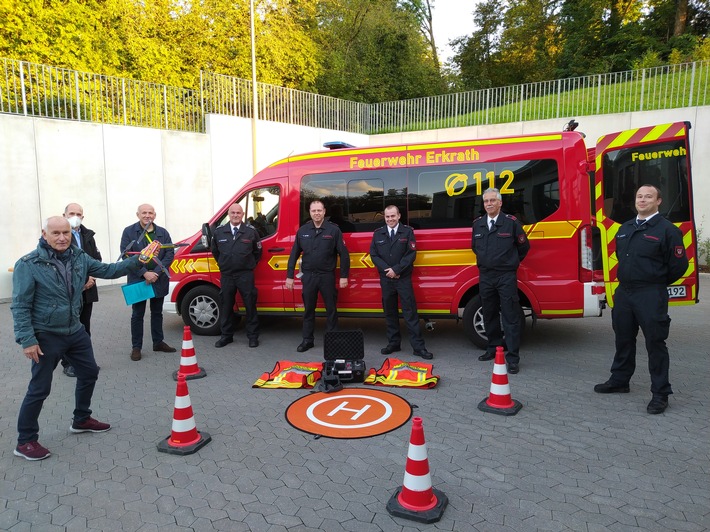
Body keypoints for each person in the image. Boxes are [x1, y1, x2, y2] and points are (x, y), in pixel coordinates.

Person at [11, 216, 140, 460]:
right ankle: (25, 441)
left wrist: (137, 260)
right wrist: (27, 340)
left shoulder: (78, 256)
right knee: (39, 388)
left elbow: (109, 270)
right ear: (44, 233)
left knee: (90, 372)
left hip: (75, 330)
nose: (62, 238)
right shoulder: (28, 264)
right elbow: (20, 306)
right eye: (56, 233)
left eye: (66, 233)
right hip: (46, 336)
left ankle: (81, 419)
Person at [594, 185, 688, 414]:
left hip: (650, 293)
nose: (642, 200)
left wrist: (655, 281)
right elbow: (619, 255)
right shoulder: (625, 228)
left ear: (658, 201)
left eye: (648, 196)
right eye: (639, 196)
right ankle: (620, 380)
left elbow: (679, 266)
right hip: (625, 293)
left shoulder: (667, 230)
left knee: (655, 342)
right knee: (623, 338)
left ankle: (660, 393)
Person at [471, 188, 530, 374]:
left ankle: (512, 358)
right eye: (486, 201)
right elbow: (475, 247)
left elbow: (523, 247)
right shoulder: (478, 224)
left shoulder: (511, 223)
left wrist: (510, 263)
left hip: (506, 276)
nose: (488, 204)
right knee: (489, 314)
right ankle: (492, 348)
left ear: (500, 203)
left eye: (492, 201)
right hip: (486, 276)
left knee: (510, 316)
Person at [370, 205, 433, 360]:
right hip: (386, 279)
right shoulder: (378, 233)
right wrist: (388, 270)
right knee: (390, 313)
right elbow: (374, 255)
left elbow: (410, 254)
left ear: (399, 216)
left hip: (403, 279)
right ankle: (393, 343)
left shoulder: (407, 232)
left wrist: (396, 270)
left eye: (393, 216)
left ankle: (418, 347)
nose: (390, 219)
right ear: (384, 217)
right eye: (387, 216)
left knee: (410, 313)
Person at [285, 200, 350, 352]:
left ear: (324, 212)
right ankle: (308, 340)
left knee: (331, 309)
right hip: (309, 277)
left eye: (319, 210)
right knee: (308, 310)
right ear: (310, 212)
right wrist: (290, 276)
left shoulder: (333, 230)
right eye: (314, 211)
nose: (316, 213)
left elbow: (344, 254)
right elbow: (294, 254)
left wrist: (343, 276)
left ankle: (332, 340)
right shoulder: (303, 231)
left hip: (327, 276)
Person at [120, 204, 176, 361]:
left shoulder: (162, 233)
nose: (147, 215)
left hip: (158, 280)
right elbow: (126, 255)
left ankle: (158, 342)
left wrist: (156, 273)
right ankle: (136, 347)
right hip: (139, 280)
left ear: (155, 215)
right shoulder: (129, 232)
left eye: (150, 213)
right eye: (144, 213)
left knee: (157, 313)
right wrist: (144, 273)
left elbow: (169, 254)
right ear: (137, 214)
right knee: (137, 314)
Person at [211, 203, 262, 348]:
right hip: (227, 275)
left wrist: (248, 264)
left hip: (245, 274)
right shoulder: (219, 232)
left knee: (250, 305)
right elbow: (215, 251)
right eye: (233, 213)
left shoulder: (251, 232)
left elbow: (257, 252)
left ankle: (253, 337)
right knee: (226, 306)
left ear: (243, 214)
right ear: (228, 214)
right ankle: (226, 336)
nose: (235, 215)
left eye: (238, 213)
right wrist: (224, 264)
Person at [60, 203, 102, 378]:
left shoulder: (88, 235)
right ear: (64, 215)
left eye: (78, 214)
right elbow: (61, 265)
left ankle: (85, 362)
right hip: (69, 293)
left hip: (88, 290)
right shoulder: (60, 237)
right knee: (69, 329)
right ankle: (68, 363)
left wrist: (90, 278)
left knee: (85, 328)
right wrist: (82, 280)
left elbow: (96, 259)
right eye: (72, 213)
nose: (75, 216)